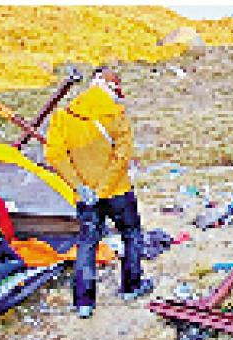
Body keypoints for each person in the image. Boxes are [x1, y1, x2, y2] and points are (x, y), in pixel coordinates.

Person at [45, 67, 153, 318]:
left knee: (87, 244)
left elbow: (55, 155)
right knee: (131, 234)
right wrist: (103, 190)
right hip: (118, 192)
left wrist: (80, 187)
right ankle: (131, 286)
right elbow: (122, 157)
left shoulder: (64, 115)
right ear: (112, 88)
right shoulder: (116, 114)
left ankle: (84, 303)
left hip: (85, 196)